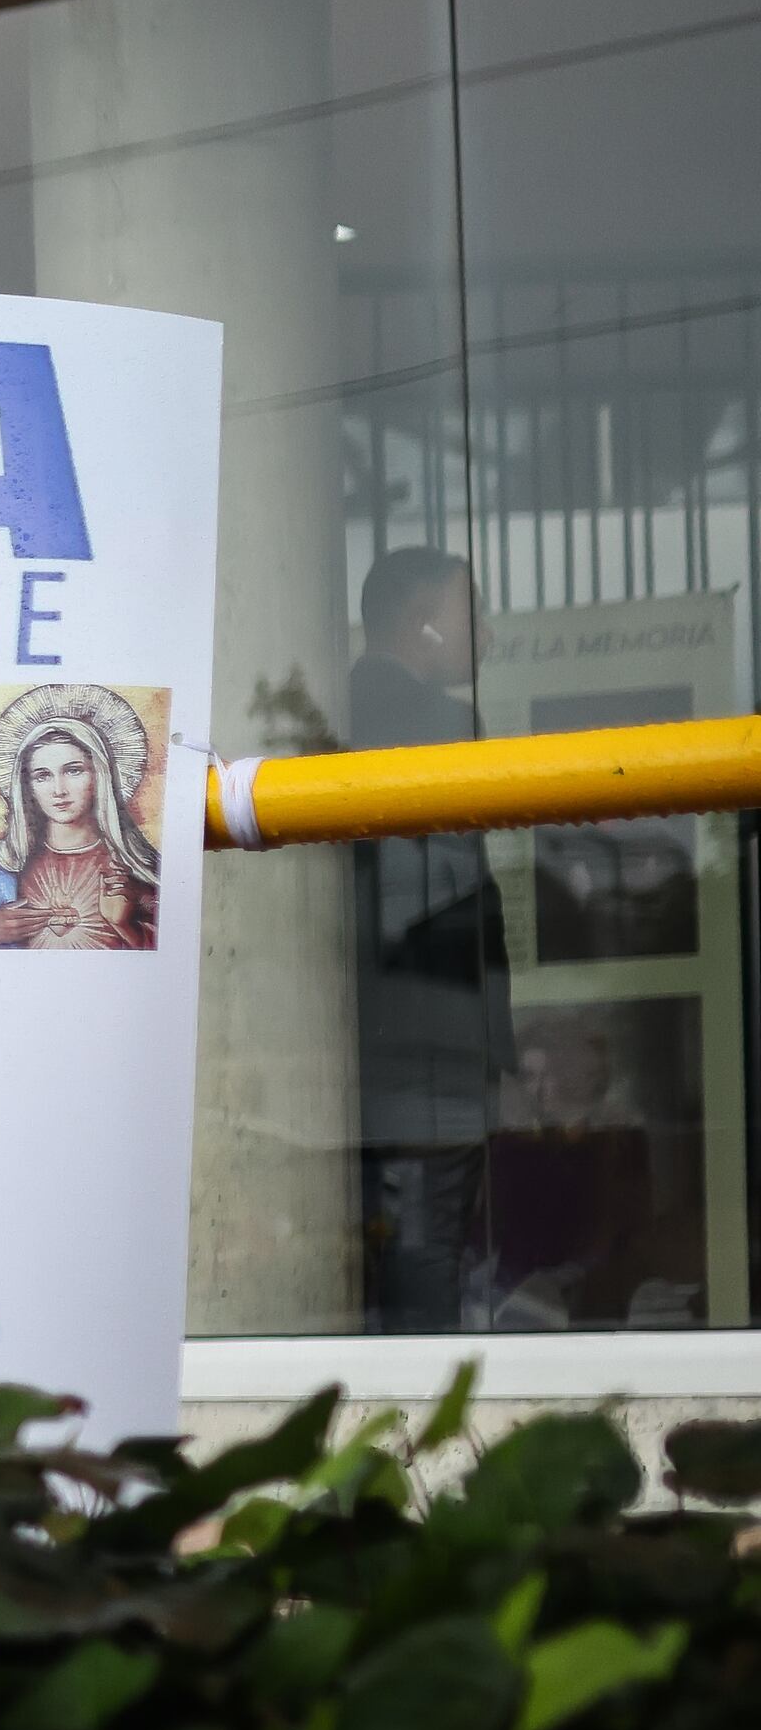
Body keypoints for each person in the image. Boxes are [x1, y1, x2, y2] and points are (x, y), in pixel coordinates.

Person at [348, 545, 512, 1326]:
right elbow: (452, 901)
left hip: (375, 1038)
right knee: (425, 1247)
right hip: (431, 1044)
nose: (486, 632)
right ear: (424, 625)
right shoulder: (444, 725)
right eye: (469, 611)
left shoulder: (337, 710)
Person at [0, 687, 161, 950]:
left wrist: (124, 925)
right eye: (42, 776)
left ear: (99, 775)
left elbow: (179, 946)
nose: (58, 790)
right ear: (27, 786)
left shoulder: (137, 867)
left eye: (73, 771)